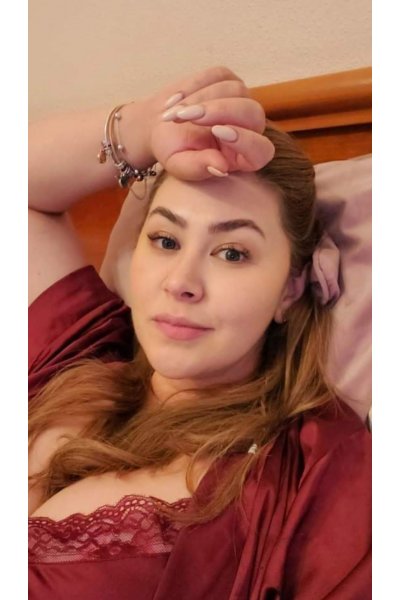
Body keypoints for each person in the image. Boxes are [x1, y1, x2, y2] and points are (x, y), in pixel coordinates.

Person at [28, 66, 371, 599]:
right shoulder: (82, 348)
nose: (181, 283)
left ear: (289, 289)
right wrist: (148, 126)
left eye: (231, 253)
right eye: (166, 240)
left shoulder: (318, 478)